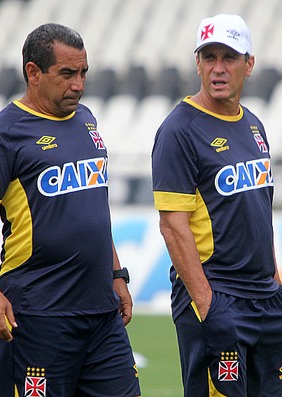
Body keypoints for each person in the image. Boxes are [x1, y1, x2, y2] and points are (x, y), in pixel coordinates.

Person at [0, 23, 141, 397]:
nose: (78, 84)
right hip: (37, 314)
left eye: (83, 73)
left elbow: (92, 208)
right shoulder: (3, 133)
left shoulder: (87, 119)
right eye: (67, 73)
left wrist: (116, 272)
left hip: (100, 312)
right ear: (33, 72)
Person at [152, 13, 282, 397]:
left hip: (264, 298)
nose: (218, 69)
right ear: (197, 63)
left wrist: (274, 279)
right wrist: (208, 304)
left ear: (249, 64)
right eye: (209, 57)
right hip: (217, 295)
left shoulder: (254, 125)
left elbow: (258, 210)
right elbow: (172, 226)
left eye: (229, 57)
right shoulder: (179, 131)